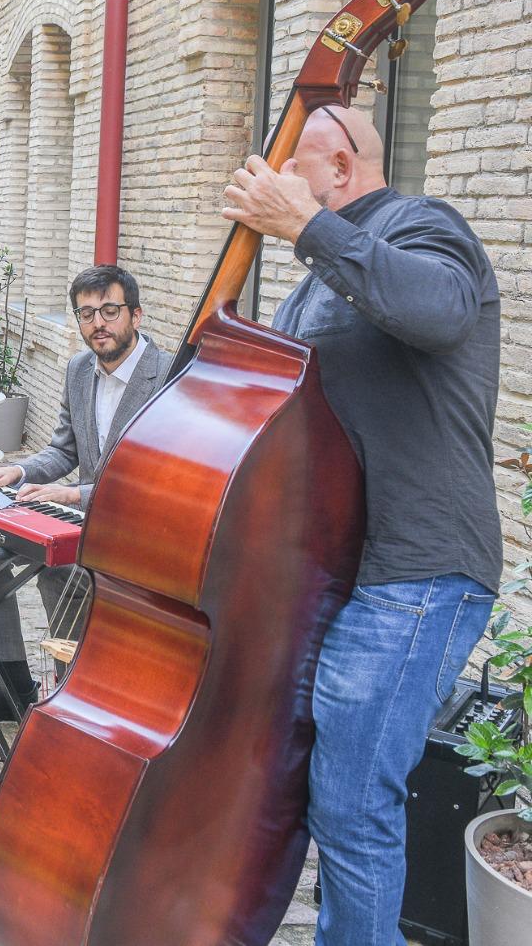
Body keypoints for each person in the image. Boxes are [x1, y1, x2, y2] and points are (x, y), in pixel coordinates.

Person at [221, 104, 500, 946]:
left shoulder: (426, 227)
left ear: (339, 167)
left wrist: (306, 225)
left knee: (352, 806)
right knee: (332, 803)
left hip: (416, 571)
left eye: (290, 169)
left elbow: (439, 310)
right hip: (340, 575)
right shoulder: (313, 283)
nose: (275, 185)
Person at [0, 264, 172, 714]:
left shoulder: (169, 377)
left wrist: (72, 495)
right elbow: (64, 451)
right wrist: (18, 471)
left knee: (60, 567)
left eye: (110, 311)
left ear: (136, 315)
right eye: (86, 314)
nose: (98, 323)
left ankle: (76, 691)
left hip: (142, 534)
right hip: (84, 521)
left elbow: (158, 482)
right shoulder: (79, 369)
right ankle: (11, 686)